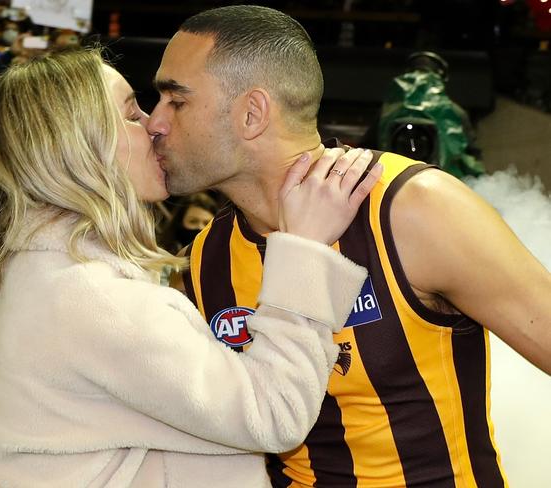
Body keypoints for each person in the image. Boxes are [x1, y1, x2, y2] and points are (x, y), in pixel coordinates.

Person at [0, 48, 382, 487]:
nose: (156, 126)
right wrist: (305, 247)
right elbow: (275, 413)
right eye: (132, 115)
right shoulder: (94, 299)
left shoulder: (14, 281)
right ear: (76, 149)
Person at [146, 5, 551, 488]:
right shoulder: (205, 257)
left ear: (252, 113)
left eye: (176, 100)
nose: (155, 122)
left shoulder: (413, 209)